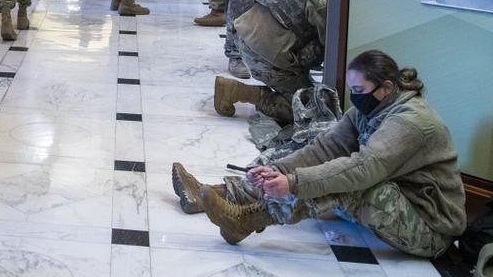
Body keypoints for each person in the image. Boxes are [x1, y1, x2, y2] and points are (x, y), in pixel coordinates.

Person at [174, 51, 466, 259]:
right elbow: (323, 149)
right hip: (400, 201)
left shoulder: (411, 121)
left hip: (430, 230)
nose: (355, 96)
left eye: (359, 90)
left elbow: (364, 168)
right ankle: (223, 193)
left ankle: (246, 221)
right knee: (313, 159)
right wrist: (276, 170)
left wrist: (294, 182)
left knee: (350, 184)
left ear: (387, 88)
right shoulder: (374, 107)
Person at [212, 0, 328, 124]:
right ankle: (242, 93)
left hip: (249, 34)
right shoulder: (325, 0)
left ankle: (290, 83)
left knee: (315, 92)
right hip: (263, 53)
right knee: (315, 109)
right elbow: (334, 52)